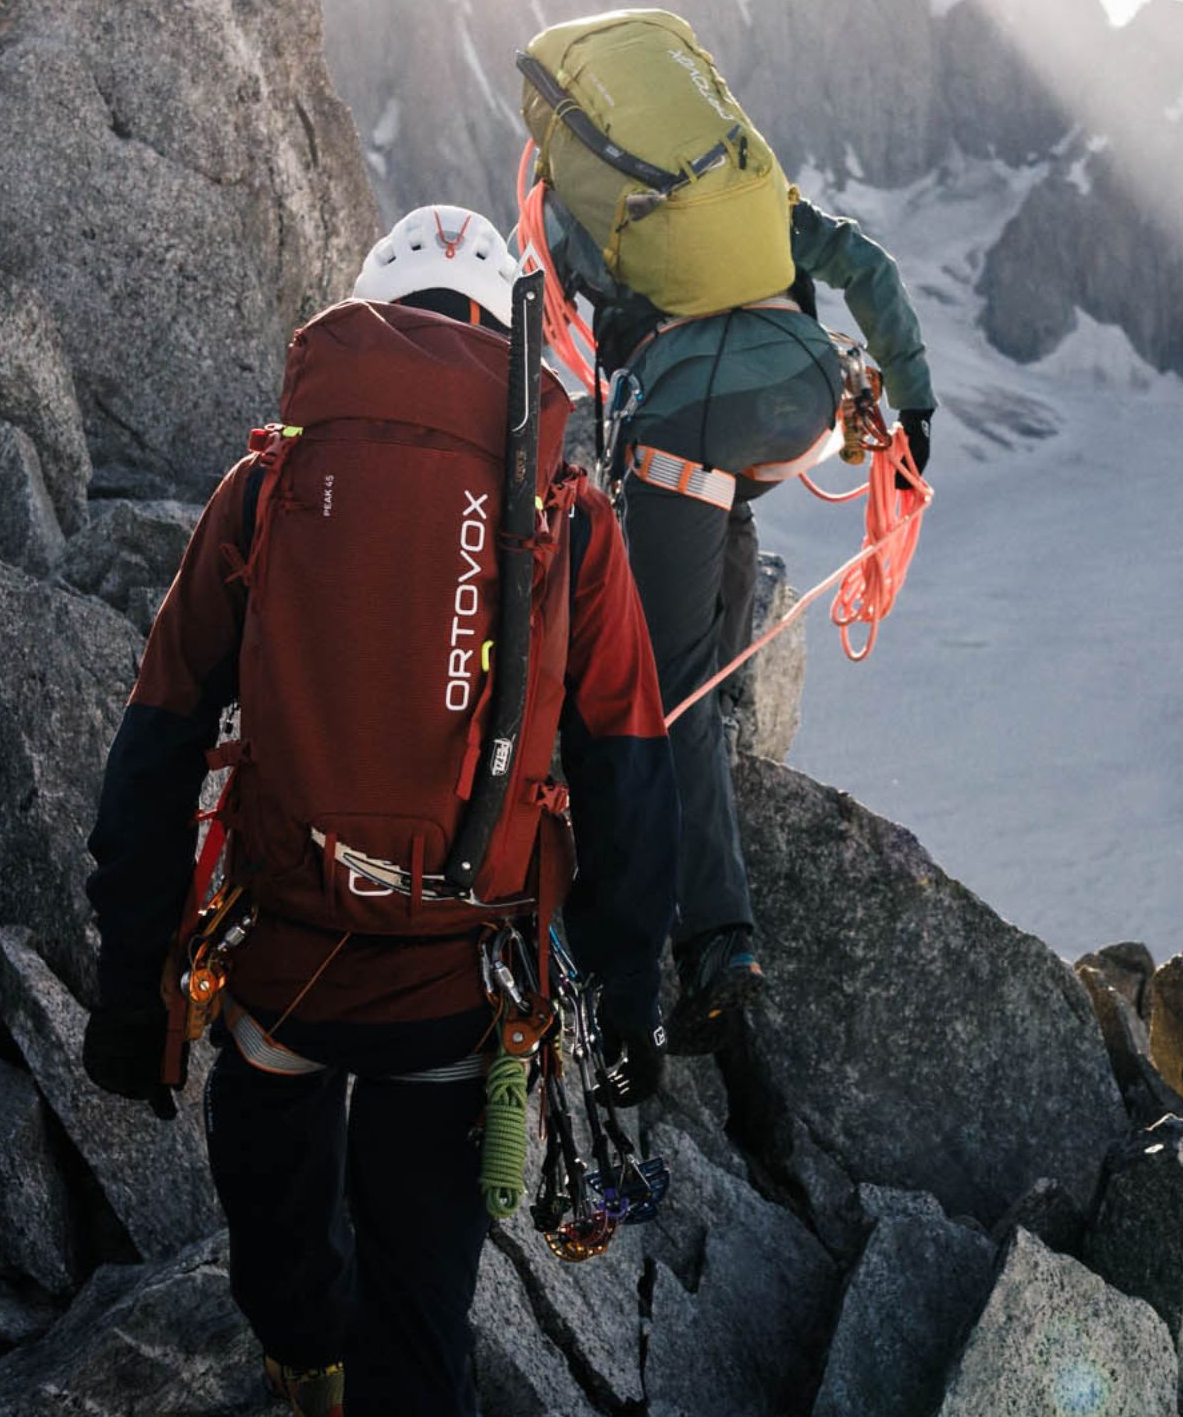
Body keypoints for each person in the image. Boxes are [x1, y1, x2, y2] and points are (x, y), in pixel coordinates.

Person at [76, 204, 683, 1417]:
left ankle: (303, 1370)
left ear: (372, 308)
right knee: (420, 1304)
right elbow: (627, 770)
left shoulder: (266, 485)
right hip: (458, 999)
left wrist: (127, 983)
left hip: (275, 977)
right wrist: (627, 1005)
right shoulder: (569, 509)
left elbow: (156, 741)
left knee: (284, 1258)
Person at [531, 78, 942, 1057]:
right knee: (709, 551)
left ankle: (716, 939)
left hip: (685, 427)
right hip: (794, 411)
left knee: (664, 686)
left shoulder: (615, 219)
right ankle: (717, 653)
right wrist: (913, 407)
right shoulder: (754, 207)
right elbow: (867, 268)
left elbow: (547, 278)